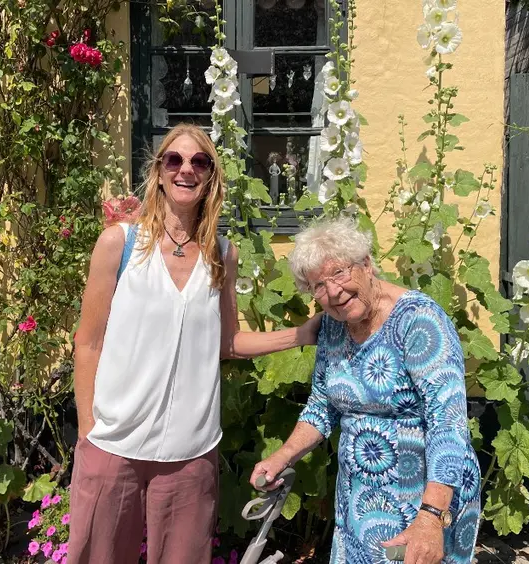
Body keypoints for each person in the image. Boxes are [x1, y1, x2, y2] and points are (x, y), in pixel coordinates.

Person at [68, 123, 321, 564]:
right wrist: (88, 428)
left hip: (190, 451)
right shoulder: (120, 244)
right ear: (159, 172)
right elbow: (88, 342)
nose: (186, 169)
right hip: (113, 443)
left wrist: (301, 335)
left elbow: (227, 342)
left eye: (199, 161)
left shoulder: (222, 254)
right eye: (175, 159)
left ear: (210, 178)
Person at [251, 218, 480, 564]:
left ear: (367, 264)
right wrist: (281, 457)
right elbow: (322, 406)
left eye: (339, 273)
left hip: (424, 498)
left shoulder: (419, 320)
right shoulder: (334, 324)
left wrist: (431, 517)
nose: (333, 292)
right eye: (318, 285)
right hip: (360, 498)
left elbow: (448, 424)